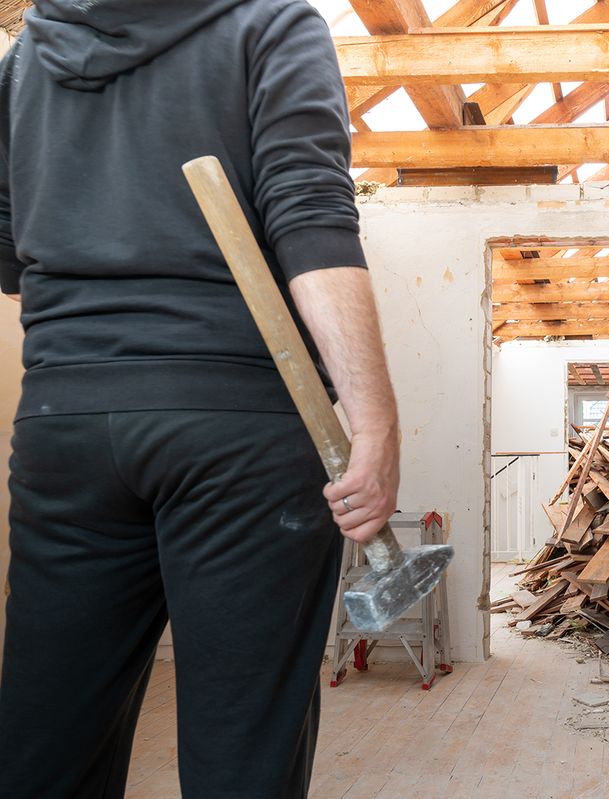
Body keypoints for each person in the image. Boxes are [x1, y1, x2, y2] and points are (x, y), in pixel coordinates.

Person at [0, 1, 400, 796]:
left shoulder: (21, 61)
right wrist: (376, 418)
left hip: (64, 421)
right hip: (240, 423)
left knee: (45, 749)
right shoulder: (272, 25)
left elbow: (13, 255)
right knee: (243, 755)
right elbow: (311, 219)